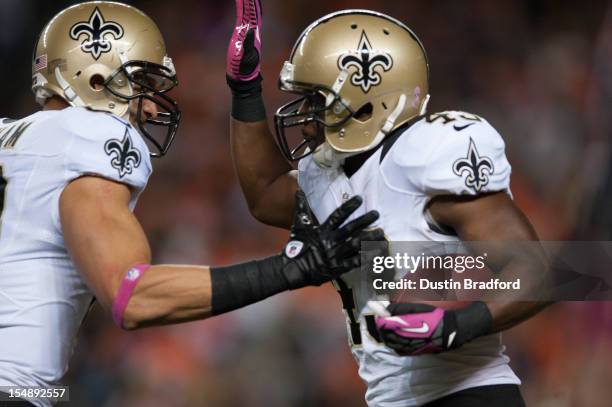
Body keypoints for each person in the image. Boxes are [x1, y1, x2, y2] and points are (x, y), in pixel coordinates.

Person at [0, 2, 384, 406]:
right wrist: (291, 269)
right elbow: (132, 296)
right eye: (142, 84)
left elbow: (268, 194)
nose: (149, 106)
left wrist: (247, 90)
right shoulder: (90, 132)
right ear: (95, 78)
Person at [227, 2, 551, 406]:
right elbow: (264, 193)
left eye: (317, 100)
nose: (306, 118)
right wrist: (245, 90)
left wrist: (457, 323)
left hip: (470, 393)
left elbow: (536, 270)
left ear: (367, 99)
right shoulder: (330, 172)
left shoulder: (426, 154)